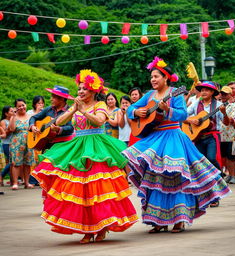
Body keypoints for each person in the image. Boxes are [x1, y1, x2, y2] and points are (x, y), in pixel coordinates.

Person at [122, 56, 230, 233]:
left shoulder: (175, 93)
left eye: (156, 76)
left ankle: (180, 219)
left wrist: (167, 110)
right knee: (155, 177)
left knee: (176, 176)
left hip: (173, 137)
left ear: (166, 78)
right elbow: (131, 109)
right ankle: (159, 220)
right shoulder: (149, 95)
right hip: (155, 138)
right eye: (151, 77)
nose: (153, 79)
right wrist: (136, 111)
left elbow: (181, 115)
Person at [32, 69, 138, 244]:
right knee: (80, 191)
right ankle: (87, 230)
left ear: (94, 91)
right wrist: (74, 109)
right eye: (79, 88)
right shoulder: (77, 105)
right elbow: (58, 122)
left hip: (96, 147)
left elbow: (99, 121)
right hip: (78, 146)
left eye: (85, 89)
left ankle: (102, 227)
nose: (80, 92)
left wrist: (83, 110)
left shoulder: (100, 105)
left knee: (99, 190)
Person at [29, 85, 74, 150]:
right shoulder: (48, 109)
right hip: (46, 145)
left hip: (62, 146)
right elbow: (33, 117)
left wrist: (58, 129)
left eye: (53, 97)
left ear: (62, 99)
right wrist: (32, 126)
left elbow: (71, 128)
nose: (51, 99)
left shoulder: (70, 111)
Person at [9, 99, 35, 190]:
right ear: (16, 108)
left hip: (29, 141)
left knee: (28, 163)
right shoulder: (14, 117)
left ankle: (27, 183)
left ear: (26, 105)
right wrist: (12, 117)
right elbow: (12, 129)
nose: (21, 107)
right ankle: (15, 183)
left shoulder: (31, 116)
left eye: (23, 105)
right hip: (17, 143)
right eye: (19, 106)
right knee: (16, 163)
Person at [219, 86, 235, 184]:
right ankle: (230, 175)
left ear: (230, 95)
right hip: (221, 134)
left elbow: (232, 120)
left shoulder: (234, 105)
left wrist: (224, 114)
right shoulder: (219, 105)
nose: (223, 95)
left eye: (225, 94)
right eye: (222, 93)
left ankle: (234, 175)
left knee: (231, 157)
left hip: (231, 135)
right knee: (225, 156)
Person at [0, 106, 14, 186]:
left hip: (14, 143)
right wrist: (10, 128)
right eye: (11, 111)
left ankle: (11, 179)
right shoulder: (3, 121)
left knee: (12, 162)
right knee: (12, 161)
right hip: (6, 143)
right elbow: (4, 133)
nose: (13, 112)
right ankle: (1, 175)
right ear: (6, 113)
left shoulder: (14, 119)